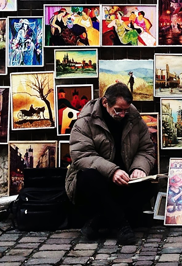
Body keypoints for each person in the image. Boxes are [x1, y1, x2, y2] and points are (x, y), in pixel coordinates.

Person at [65, 82, 156, 243]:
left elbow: (146, 149)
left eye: (126, 110)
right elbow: (81, 156)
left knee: (149, 186)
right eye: (118, 110)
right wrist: (112, 171)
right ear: (105, 102)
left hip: (124, 181)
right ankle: (121, 225)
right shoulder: (84, 122)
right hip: (95, 182)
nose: (122, 115)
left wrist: (139, 168)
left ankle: (99, 221)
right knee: (90, 178)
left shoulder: (134, 119)